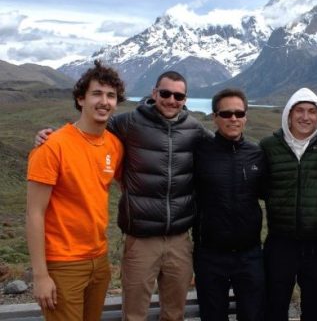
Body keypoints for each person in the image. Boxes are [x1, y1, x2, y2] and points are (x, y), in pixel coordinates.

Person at [35, 70, 209, 321]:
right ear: (154, 93)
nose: (172, 100)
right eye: (165, 93)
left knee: (174, 313)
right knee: (134, 314)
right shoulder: (128, 123)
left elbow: (219, 150)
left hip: (179, 239)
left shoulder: (194, 128)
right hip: (140, 240)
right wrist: (48, 136)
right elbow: (87, 129)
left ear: (185, 99)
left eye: (178, 95)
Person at [26, 60, 126, 320]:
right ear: (81, 99)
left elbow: (125, 184)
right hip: (63, 263)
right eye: (97, 94)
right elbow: (34, 213)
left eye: (111, 96)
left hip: (99, 261)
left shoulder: (113, 145)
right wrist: (40, 275)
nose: (104, 101)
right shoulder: (52, 146)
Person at [260, 87, 317, 321]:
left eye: (312, 112)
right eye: (300, 111)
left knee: (315, 308)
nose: (306, 117)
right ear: (289, 114)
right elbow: (261, 187)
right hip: (280, 242)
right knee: (275, 305)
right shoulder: (268, 146)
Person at [192, 88, 266, 321]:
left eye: (238, 113)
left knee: (252, 315)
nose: (233, 118)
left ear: (245, 116)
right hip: (210, 255)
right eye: (225, 114)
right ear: (214, 117)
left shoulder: (257, 154)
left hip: (250, 255)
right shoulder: (199, 153)